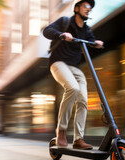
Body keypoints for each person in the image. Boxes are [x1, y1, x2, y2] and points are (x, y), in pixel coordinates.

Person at [43, 0, 103, 150]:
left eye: (90, 8)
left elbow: (91, 41)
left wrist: (96, 42)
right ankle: (61, 130)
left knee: (83, 99)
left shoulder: (87, 30)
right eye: (86, 6)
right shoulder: (65, 22)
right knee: (73, 88)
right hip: (58, 63)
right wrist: (62, 34)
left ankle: (78, 139)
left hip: (73, 67)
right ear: (76, 8)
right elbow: (46, 31)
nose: (89, 9)